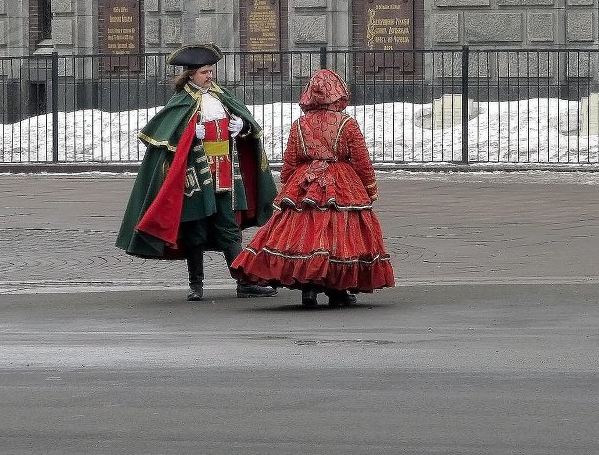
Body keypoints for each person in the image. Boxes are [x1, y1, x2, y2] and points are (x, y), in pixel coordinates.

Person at [116, 43, 278, 301]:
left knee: (229, 228)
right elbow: (164, 135)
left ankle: (244, 282)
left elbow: (248, 127)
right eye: (204, 72)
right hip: (196, 176)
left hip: (226, 172)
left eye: (211, 70)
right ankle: (196, 285)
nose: (209, 75)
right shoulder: (182, 100)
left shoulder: (222, 95)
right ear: (190, 75)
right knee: (196, 230)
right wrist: (190, 134)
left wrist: (243, 125)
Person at [231, 69, 395, 308]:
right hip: (341, 181)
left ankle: (309, 288)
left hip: (305, 181)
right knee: (337, 233)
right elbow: (360, 159)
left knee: (304, 234)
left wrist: (289, 185)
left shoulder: (300, 124)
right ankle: (336, 289)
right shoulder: (347, 124)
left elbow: (290, 161)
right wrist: (369, 187)